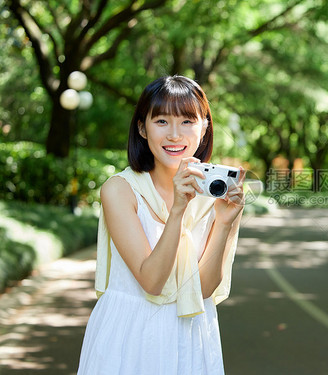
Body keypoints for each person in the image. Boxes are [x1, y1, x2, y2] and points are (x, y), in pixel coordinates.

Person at [77, 75, 245, 374]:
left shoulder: (217, 194)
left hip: (191, 335)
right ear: (142, 128)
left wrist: (223, 224)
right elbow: (151, 281)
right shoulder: (119, 190)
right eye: (162, 121)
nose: (175, 135)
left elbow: (204, 289)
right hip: (130, 334)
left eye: (187, 122)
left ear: (204, 127)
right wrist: (179, 209)